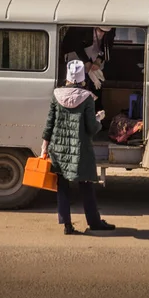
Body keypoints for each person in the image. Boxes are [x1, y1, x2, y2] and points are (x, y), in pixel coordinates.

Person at [41, 60, 116, 235]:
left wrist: (44, 147)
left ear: (67, 77)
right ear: (83, 79)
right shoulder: (87, 98)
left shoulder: (56, 95)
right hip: (80, 150)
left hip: (58, 150)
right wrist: (99, 118)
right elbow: (91, 127)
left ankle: (67, 225)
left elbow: (49, 123)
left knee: (63, 186)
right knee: (86, 186)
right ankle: (94, 222)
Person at [61, 26, 116, 112]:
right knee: (78, 87)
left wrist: (99, 59)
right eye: (101, 30)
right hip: (77, 57)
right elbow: (76, 45)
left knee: (97, 86)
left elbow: (108, 45)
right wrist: (86, 62)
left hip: (95, 55)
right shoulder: (81, 28)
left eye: (105, 32)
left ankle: (97, 114)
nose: (102, 33)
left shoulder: (111, 30)